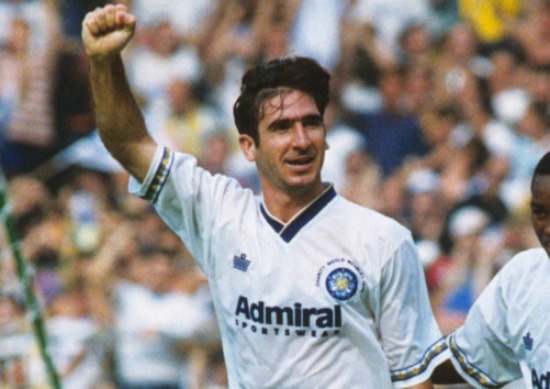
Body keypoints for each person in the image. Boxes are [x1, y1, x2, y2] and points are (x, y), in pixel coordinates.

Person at [81, 5, 449, 388]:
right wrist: (104, 62)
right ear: (248, 146)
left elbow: (415, 377)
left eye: (311, 123)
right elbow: (129, 144)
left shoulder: (383, 240)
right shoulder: (220, 216)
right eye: (282, 128)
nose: (301, 141)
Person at [433, 151, 550, 388]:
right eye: (540, 213)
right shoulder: (523, 275)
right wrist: (390, 356)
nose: (547, 228)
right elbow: (465, 359)